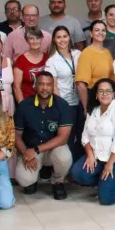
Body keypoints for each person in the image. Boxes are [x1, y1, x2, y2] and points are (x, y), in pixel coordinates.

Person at [70, 78, 115, 205]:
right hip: (99, 157)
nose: (104, 94)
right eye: (101, 91)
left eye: (108, 91)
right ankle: (106, 183)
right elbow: (85, 135)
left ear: (114, 94)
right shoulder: (94, 110)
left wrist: (110, 163)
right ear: (96, 94)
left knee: (106, 198)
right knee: (78, 173)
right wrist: (90, 155)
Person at [14, 71, 73, 199]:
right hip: (30, 150)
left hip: (53, 149)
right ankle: (34, 179)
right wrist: (25, 153)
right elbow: (16, 135)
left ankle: (57, 182)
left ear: (53, 86)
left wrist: (36, 150)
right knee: (24, 179)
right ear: (35, 85)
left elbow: (63, 138)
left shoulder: (62, 105)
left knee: (65, 157)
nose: (45, 88)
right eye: (41, 84)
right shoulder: (24, 106)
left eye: (48, 84)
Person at [46, 26, 84, 160]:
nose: (62, 40)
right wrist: (62, 106)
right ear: (54, 40)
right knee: (67, 136)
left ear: (70, 38)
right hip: (66, 103)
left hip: (81, 101)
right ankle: (66, 167)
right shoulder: (52, 60)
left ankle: (78, 164)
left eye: (64, 36)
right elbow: (53, 86)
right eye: (58, 37)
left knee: (82, 135)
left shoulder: (78, 54)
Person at [76, 20, 114, 111]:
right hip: (92, 98)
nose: (100, 33)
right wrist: (86, 108)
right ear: (91, 33)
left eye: (103, 30)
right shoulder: (86, 53)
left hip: (106, 97)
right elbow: (81, 84)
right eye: (97, 30)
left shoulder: (107, 52)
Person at [12, 27, 49, 103]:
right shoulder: (21, 60)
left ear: (42, 39)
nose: (35, 41)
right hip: (28, 102)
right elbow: (16, 87)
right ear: (27, 41)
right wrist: (23, 106)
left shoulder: (47, 58)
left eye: (37, 38)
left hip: (46, 102)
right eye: (31, 38)